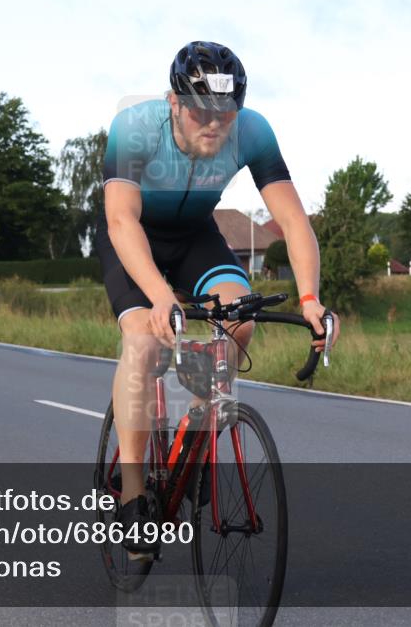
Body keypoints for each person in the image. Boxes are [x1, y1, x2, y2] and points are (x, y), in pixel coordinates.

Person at [96, 41, 341, 555]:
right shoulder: (134, 128)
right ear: (173, 102)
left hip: (195, 236)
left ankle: (197, 436)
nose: (214, 125)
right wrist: (160, 296)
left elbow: (293, 220)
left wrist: (310, 298)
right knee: (143, 340)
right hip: (134, 234)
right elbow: (120, 218)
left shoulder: (253, 130)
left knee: (240, 316)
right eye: (200, 112)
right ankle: (134, 497)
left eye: (225, 114)